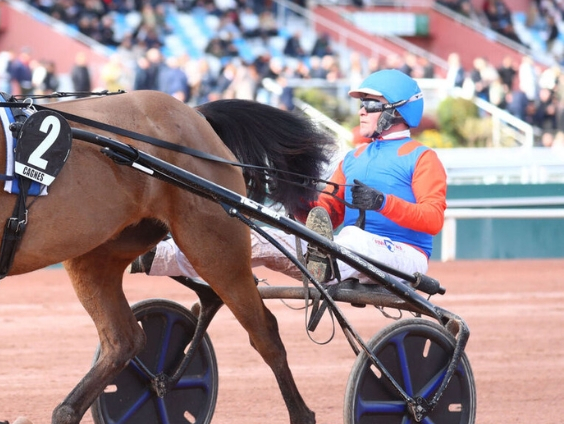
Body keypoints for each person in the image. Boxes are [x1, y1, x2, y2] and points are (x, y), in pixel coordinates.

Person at [132, 70, 447, 285]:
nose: (361, 111)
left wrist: (384, 203)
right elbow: (326, 216)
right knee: (257, 238)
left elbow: (433, 219)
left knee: (350, 240)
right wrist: (294, 199)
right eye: (360, 104)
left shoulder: (422, 158)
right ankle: (152, 257)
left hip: (404, 256)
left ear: (396, 111)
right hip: (344, 252)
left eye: (370, 104)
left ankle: (326, 264)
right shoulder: (354, 159)